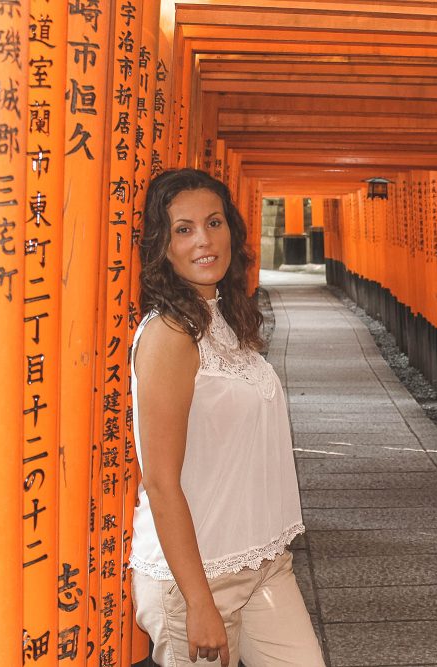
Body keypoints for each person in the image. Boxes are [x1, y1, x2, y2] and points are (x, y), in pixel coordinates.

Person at [128, 168, 325, 666]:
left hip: (263, 562)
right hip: (195, 579)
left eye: (214, 223)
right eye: (184, 229)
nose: (204, 241)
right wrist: (198, 603)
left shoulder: (223, 319)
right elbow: (160, 480)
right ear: (161, 246)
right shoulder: (170, 336)